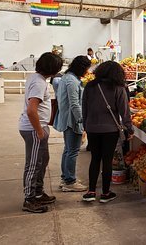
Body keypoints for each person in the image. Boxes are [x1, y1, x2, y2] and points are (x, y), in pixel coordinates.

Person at [82, 61, 133, 203]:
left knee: (95, 159)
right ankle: (105, 193)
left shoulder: (90, 86)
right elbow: (124, 111)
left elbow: (84, 108)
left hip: (92, 128)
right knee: (107, 160)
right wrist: (129, 128)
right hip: (110, 130)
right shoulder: (118, 87)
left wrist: (86, 126)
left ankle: (91, 191)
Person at [19, 52, 63, 213]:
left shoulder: (37, 78)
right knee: (33, 164)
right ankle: (29, 199)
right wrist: (38, 131)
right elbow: (32, 110)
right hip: (33, 129)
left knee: (42, 160)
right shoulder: (39, 83)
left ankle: (38, 192)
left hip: (37, 127)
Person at [53, 56, 91, 192]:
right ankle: (70, 181)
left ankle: (66, 178)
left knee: (68, 150)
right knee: (73, 151)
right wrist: (83, 121)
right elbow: (75, 104)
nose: (87, 72)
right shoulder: (72, 81)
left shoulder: (67, 78)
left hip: (68, 119)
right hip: (72, 121)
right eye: (87, 69)